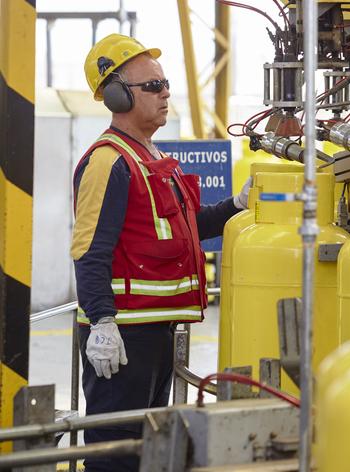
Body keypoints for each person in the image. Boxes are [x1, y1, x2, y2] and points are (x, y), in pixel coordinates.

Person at [72, 33, 249, 472]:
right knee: (114, 454)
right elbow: (89, 250)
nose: (165, 92)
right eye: (153, 85)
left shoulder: (150, 157)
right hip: (122, 337)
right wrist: (102, 323)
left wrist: (236, 206)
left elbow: (190, 227)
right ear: (117, 95)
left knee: (144, 450)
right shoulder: (108, 161)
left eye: (165, 83)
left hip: (154, 332)